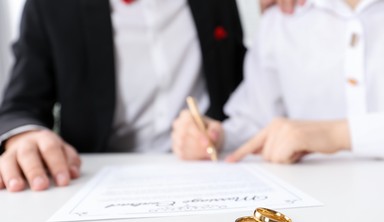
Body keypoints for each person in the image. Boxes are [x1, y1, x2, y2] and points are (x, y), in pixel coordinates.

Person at [0, 0, 299, 192]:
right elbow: (20, 104)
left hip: (212, 174)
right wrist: (24, 137)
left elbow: (246, 84)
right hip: (96, 178)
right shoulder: (51, 7)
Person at [172, 0, 384, 164]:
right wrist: (217, 138)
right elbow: (259, 119)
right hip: (322, 203)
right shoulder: (282, 17)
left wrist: (337, 134)